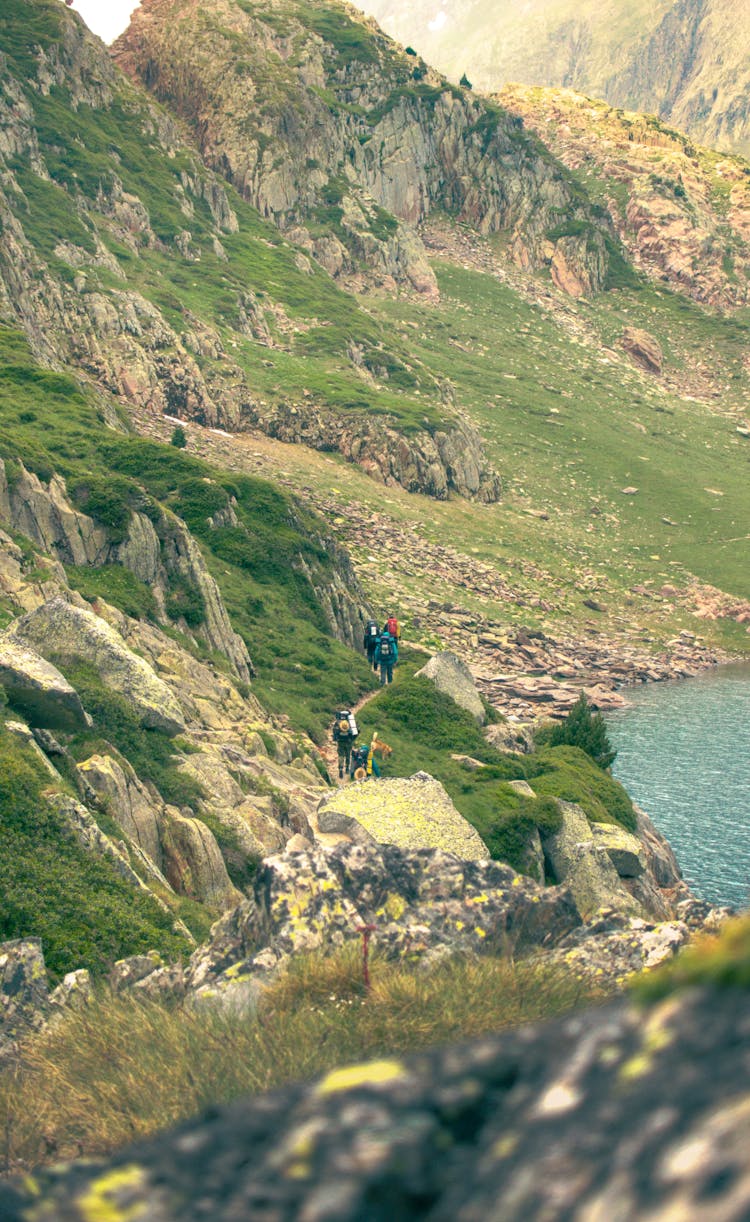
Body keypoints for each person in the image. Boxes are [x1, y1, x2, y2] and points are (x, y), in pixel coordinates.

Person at [332, 708, 358, 779]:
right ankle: (347, 769)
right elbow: (356, 732)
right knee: (348, 755)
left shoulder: (338, 723)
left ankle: (340, 768)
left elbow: (334, 732)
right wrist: (352, 739)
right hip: (349, 743)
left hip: (340, 742)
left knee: (341, 755)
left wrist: (336, 739)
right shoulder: (350, 723)